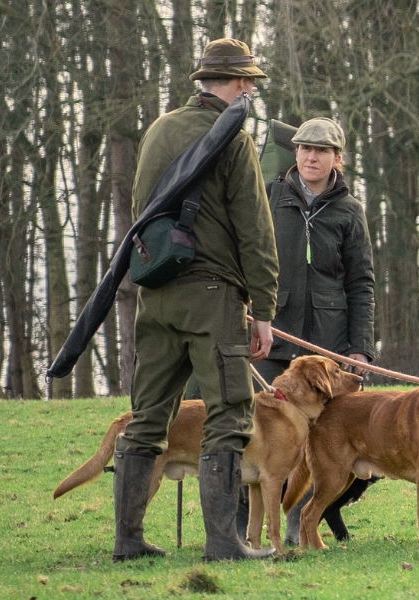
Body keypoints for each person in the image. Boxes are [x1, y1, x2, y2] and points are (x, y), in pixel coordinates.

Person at [112, 38, 279, 562]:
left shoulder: (158, 129)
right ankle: (224, 543)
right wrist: (265, 309)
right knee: (229, 414)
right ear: (232, 85)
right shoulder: (232, 137)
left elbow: (143, 210)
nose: (250, 89)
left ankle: (128, 539)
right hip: (212, 296)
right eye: (247, 81)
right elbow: (255, 228)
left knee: (146, 417)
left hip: (155, 292)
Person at [259, 117, 375, 382]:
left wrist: (360, 346)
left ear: (337, 158)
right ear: (296, 153)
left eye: (322, 150)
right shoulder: (267, 198)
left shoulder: (350, 210)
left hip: (327, 348)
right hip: (269, 341)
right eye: (305, 148)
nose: (312, 157)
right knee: (262, 421)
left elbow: (361, 283)